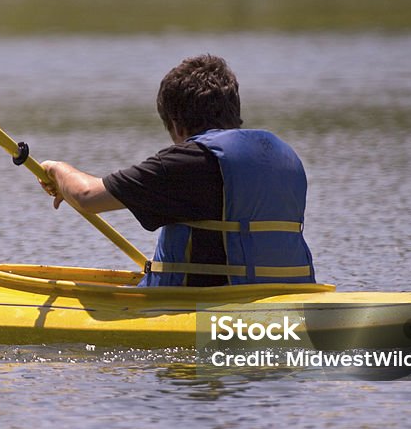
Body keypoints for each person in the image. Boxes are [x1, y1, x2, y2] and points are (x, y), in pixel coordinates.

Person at [40, 54, 315, 287]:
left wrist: (57, 170)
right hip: (291, 298)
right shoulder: (285, 156)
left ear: (176, 124)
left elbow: (87, 196)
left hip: (210, 309)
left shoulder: (188, 161)